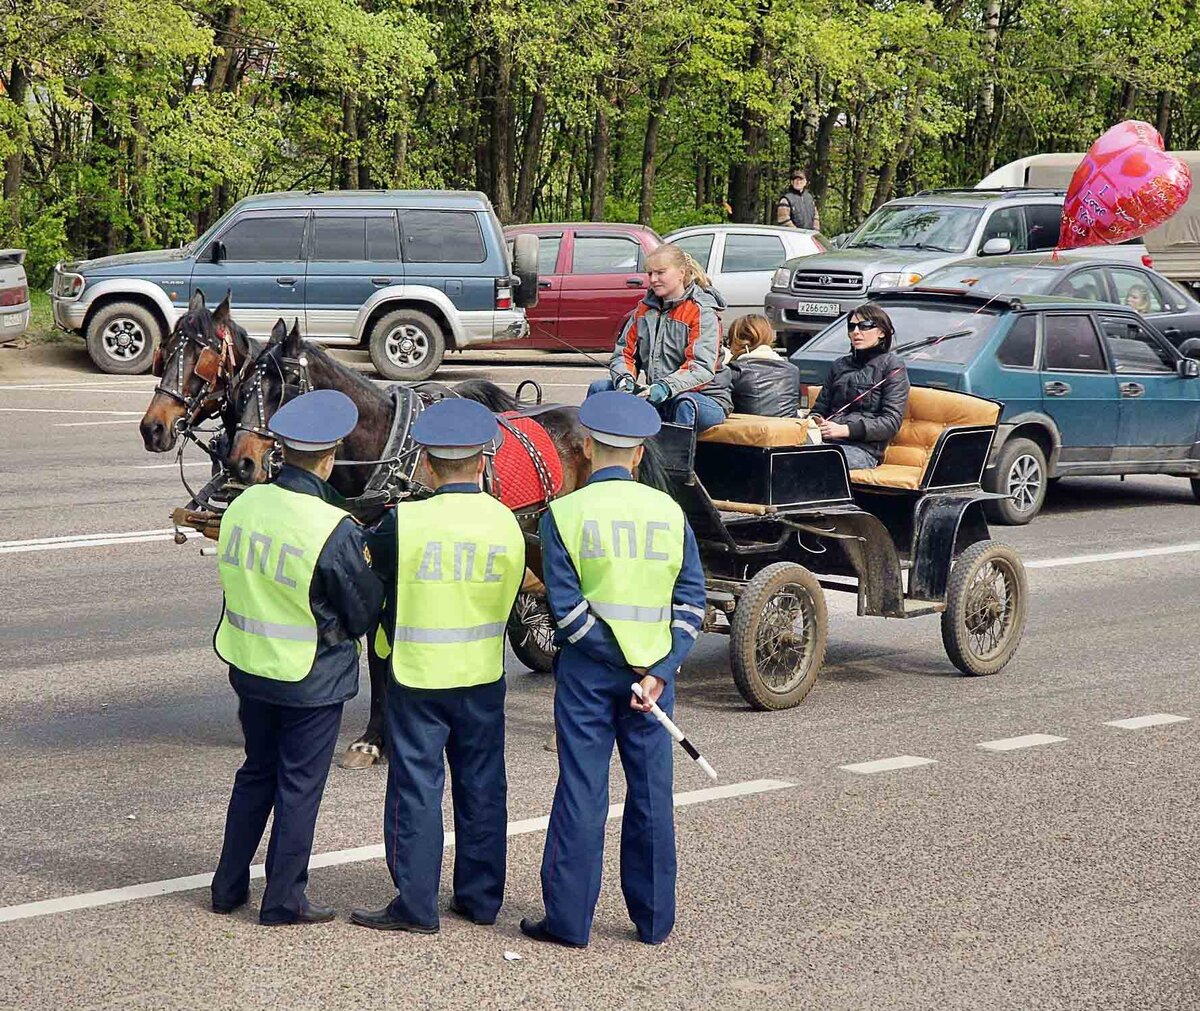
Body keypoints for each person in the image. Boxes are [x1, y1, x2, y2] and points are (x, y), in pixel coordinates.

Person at [521, 391, 706, 949]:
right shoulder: (670, 514)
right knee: (652, 793)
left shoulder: (564, 514)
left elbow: (568, 611)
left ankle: (570, 922)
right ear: (638, 454)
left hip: (588, 673)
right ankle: (653, 922)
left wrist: (616, 658)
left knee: (582, 790)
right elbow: (691, 600)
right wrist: (659, 668)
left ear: (583, 447)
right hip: (653, 679)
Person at [350, 399, 525, 934]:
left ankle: (416, 904)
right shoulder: (507, 523)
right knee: (482, 787)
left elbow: (367, 578)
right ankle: (479, 899)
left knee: (416, 788)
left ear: (425, 463)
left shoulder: (404, 522)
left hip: (417, 674)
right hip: (481, 675)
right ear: (482, 461)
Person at [210, 389, 384, 926]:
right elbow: (362, 612)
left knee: (255, 771)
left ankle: (227, 885)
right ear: (329, 458)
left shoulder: (242, 505)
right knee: (299, 786)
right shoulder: (334, 528)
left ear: (282, 451)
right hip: (310, 677)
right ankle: (284, 898)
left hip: (249, 666)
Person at [588, 243, 733, 433]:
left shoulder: (701, 310)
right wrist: (624, 380)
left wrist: (665, 387)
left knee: (685, 403)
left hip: (705, 399)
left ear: (681, 273)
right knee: (599, 390)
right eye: (650, 274)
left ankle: (672, 463)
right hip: (655, 394)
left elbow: (701, 368)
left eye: (660, 272)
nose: (654, 279)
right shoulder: (643, 310)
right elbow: (624, 354)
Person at [809, 302, 910, 471]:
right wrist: (814, 421)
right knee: (781, 452)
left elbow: (891, 422)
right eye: (852, 327)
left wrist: (845, 430)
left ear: (882, 333)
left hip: (863, 450)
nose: (856, 332)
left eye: (864, 326)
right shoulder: (839, 365)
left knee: (817, 460)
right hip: (824, 441)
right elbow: (819, 409)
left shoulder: (892, 366)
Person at [727, 313, 801, 417]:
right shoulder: (792, 371)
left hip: (745, 431)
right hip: (786, 431)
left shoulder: (733, 371)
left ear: (737, 340)